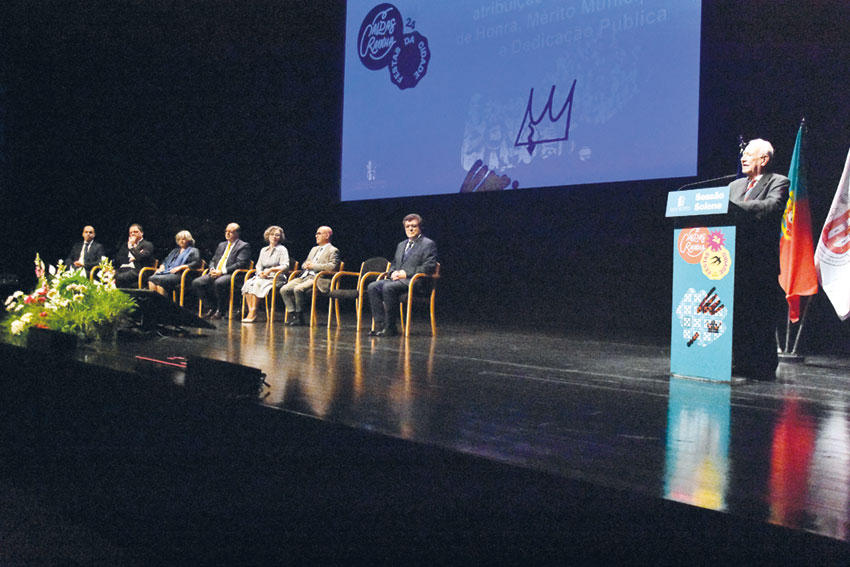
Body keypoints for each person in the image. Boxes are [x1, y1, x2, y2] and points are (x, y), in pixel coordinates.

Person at [728, 138, 790, 380]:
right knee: (739, 315)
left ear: (764, 160)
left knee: (760, 315)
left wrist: (732, 208)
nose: (743, 158)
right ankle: (738, 363)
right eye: (743, 154)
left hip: (760, 263)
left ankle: (762, 367)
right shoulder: (734, 186)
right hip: (732, 262)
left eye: (749, 154)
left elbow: (771, 207)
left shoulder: (778, 181)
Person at [367, 214, 437, 336]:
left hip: (417, 282)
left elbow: (429, 267)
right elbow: (394, 263)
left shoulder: (428, 244)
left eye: (414, 226)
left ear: (420, 227)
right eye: (407, 226)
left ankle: (391, 327)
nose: (410, 229)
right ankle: (380, 325)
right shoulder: (401, 245)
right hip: (398, 280)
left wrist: (406, 273)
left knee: (388, 287)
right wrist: (392, 272)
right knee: (373, 286)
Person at [280, 226, 340, 326]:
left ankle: (300, 317)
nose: (316, 236)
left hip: (319, 278)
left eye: (319, 233)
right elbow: (306, 262)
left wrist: (314, 266)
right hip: (305, 276)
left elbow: (332, 267)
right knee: (284, 289)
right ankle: (294, 315)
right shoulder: (314, 249)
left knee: (298, 289)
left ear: (327, 235)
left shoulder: (333, 250)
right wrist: (305, 265)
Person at [192, 223, 252, 319]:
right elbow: (213, 259)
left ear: (237, 234)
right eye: (226, 231)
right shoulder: (221, 245)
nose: (227, 234)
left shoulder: (243, 246)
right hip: (216, 272)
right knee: (197, 282)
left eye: (230, 232)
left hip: (232, 274)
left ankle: (221, 311)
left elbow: (240, 263)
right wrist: (212, 268)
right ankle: (211, 308)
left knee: (219, 283)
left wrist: (222, 271)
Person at [241, 225, 290, 323]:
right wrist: (260, 273)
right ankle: (251, 310)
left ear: (280, 237)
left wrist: (272, 270)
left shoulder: (282, 249)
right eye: (272, 234)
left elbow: (286, 265)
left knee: (257, 284)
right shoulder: (263, 250)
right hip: (263, 277)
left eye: (277, 235)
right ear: (268, 236)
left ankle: (253, 312)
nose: (274, 237)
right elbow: (258, 266)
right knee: (249, 283)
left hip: (276, 278)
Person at [147, 230, 202, 297]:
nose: (181, 241)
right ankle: (154, 303)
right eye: (179, 239)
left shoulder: (193, 250)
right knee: (152, 278)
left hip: (182, 275)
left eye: (184, 239)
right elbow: (166, 261)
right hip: (170, 273)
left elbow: (197, 263)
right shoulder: (175, 251)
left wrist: (181, 267)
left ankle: (161, 304)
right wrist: (161, 267)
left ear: (189, 240)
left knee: (157, 279)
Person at [114, 224, 155, 288]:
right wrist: (131, 258)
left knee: (118, 277)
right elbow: (119, 258)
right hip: (126, 268)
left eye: (135, 232)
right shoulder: (126, 245)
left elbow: (140, 257)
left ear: (141, 233)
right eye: (130, 233)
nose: (132, 234)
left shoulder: (147, 244)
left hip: (139, 270)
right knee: (111, 274)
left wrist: (131, 248)